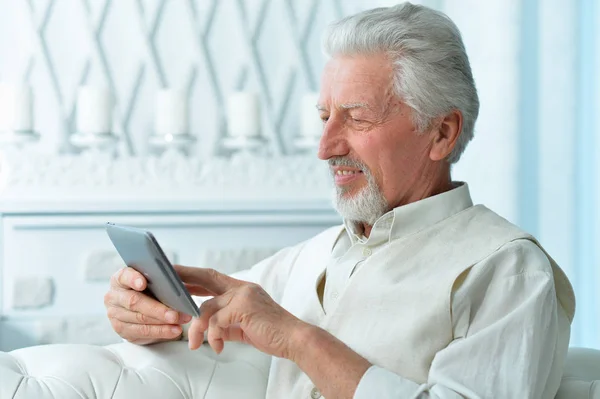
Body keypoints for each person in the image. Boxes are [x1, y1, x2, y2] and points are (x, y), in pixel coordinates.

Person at [103, 2, 575, 398]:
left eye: (357, 119)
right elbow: (200, 317)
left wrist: (299, 340)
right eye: (325, 116)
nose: (325, 147)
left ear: (442, 133)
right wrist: (142, 311)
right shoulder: (312, 257)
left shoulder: (508, 270)